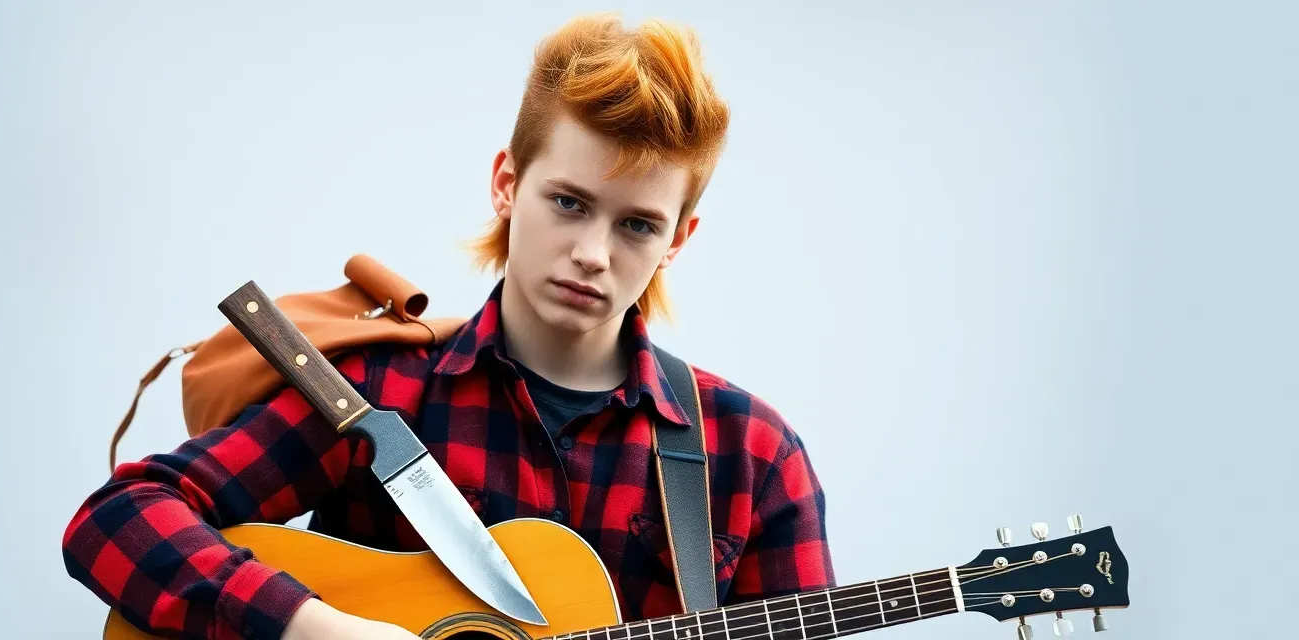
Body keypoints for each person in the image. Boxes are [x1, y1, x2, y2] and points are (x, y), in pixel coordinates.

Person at [62, 13, 834, 640]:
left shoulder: (753, 458)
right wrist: (316, 629)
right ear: (507, 184)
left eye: (636, 225)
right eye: (568, 203)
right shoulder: (378, 396)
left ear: (678, 241)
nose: (593, 254)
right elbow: (117, 519)